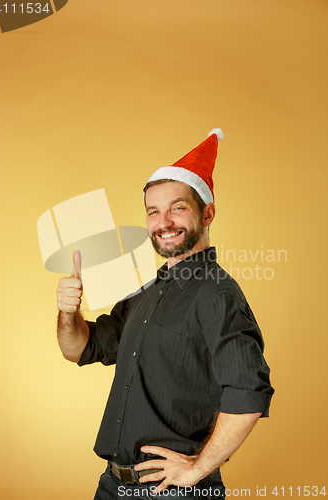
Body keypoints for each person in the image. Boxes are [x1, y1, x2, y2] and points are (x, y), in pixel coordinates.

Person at [56, 129, 274, 500]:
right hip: (112, 486)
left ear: (208, 213)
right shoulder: (147, 294)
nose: (164, 221)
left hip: (173, 492)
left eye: (178, 207)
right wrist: (68, 312)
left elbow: (249, 393)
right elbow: (79, 349)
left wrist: (198, 468)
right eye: (154, 211)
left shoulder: (216, 293)